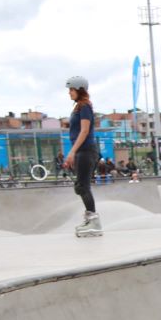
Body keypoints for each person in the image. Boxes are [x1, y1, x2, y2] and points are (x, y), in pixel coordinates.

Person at [63, 74, 102, 236]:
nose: (69, 92)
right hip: (82, 152)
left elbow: (85, 130)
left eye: (71, 89)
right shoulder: (78, 107)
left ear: (80, 90)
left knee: (83, 186)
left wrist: (71, 152)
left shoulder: (85, 106)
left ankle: (94, 223)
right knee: (80, 186)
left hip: (86, 151)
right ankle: (90, 219)